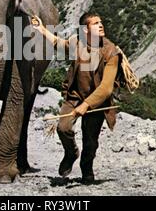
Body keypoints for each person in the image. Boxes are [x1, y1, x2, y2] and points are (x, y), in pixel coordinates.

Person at [31, 12, 120, 184]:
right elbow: (58, 43)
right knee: (63, 128)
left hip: (97, 102)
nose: (101, 25)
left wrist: (86, 105)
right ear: (85, 30)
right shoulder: (77, 42)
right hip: (74, 96)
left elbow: (106, 88)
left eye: (100, 22)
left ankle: (87, 169)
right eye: (95, 23)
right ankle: (71, 153)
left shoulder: (111, 52)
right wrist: (41, 28)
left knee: (90, 141)